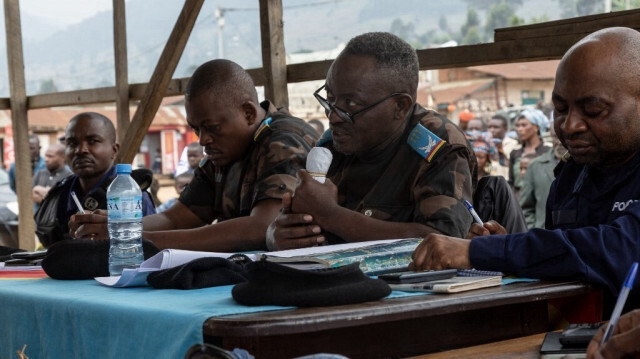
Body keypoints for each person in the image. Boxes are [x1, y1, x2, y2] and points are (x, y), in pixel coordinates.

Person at [411, 27, 640, 313]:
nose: (570, 126)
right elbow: (568, 257)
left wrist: (480, 252)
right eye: (560, 109)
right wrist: (507, 248)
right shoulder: (573, 175)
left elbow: (618, 250)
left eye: (593, 110)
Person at [69, 59, 318, 252]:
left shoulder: (284, 140)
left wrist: (138, 237)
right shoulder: (223, 152)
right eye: (196, 128)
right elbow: (177, 218)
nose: (203, 139)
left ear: (249, 113)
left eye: (212, 127)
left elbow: (262, 228)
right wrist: (118, 225)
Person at [267, 32, 476, 250]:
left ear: (400, 106)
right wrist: (277, 235)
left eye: (351, 104)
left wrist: (331, 216)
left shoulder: (438, 146)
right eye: (329, 99)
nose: (334, 116)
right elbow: (288, 225)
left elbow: (445, 240)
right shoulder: (334, 145)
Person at [34, 112, 156, 247]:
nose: (81, 150)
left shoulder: (131, 195)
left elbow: (148, 250)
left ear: (114, 150)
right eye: (72, 143)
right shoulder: (61, 192)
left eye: (93, 141)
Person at [519, 125, 566, 229]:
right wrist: (534, 231)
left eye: (564, 136)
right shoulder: (536, 166)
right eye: (556, 137)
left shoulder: (584, 165)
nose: (560, 142)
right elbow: (526, 207)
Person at [508, 109, 551, 198]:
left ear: (536, 127)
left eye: (524, 125)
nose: (519, 129)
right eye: (517, 125)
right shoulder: (515, 153)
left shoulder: (547, 152)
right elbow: (512, 182)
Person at [487, 114, 518, 179]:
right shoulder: (486, 145)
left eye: (496, 127)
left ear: (506, 129)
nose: (492, 130)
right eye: (489, 127)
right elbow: (488, 167)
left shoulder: (513, 145)